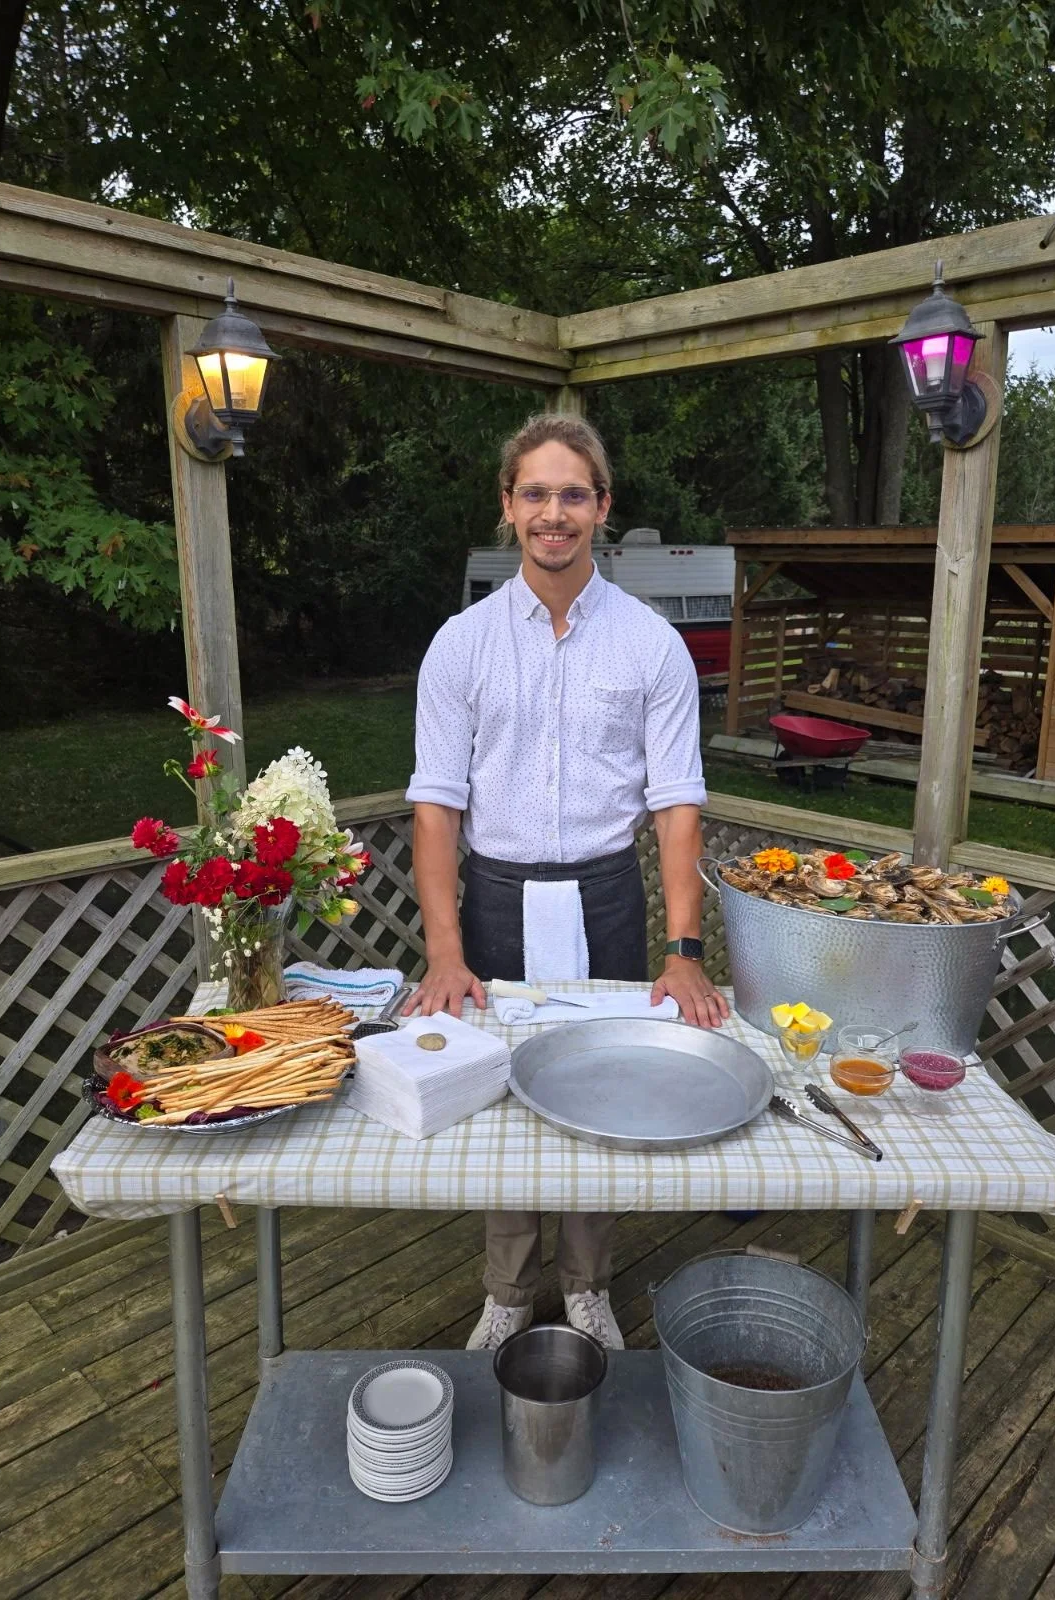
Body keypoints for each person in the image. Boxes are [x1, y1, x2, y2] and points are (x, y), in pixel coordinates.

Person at [405, 412, 728, 1351]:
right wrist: (444, 950)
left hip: (606, 897)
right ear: (508, 507)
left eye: (573, 494)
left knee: (605, 1092)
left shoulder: (649, 646)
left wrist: (684, 952)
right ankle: (508, 1290)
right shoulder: (460, 645)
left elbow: (676, 807)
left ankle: (586, 1285)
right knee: (500, 1089)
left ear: (603, 507)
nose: (555, 513)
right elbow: (436, 809)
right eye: (536, 494)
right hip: (494, 897)